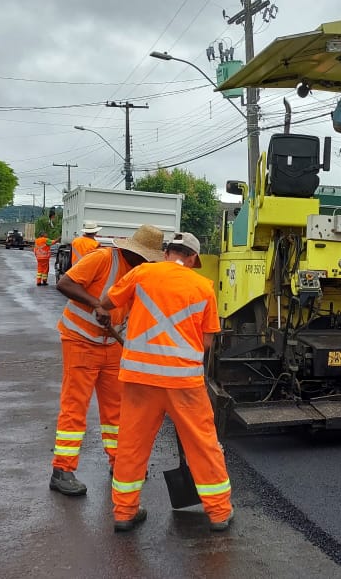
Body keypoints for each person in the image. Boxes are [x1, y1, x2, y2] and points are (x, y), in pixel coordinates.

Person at [98, 232, 233, 533]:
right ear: (194, 258)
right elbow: (208, 342)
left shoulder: (142, 272)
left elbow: (107, 301)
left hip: (138, 379)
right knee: (203, 444)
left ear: (166, 251)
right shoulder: (203, 287)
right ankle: (219, 513)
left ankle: (123, 512)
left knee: (131, 445)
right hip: (183, 382)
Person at [48, 225, 164, 497]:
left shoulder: (141, 273)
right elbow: (65, 283)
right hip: (80, 340)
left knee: (117, 410)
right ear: (134, 251)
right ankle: (62, 470)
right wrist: (96, 304)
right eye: (146, 256)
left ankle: (120, 462)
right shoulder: (103, 258)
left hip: (111, 344)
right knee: (75, 406)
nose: (148, 261)